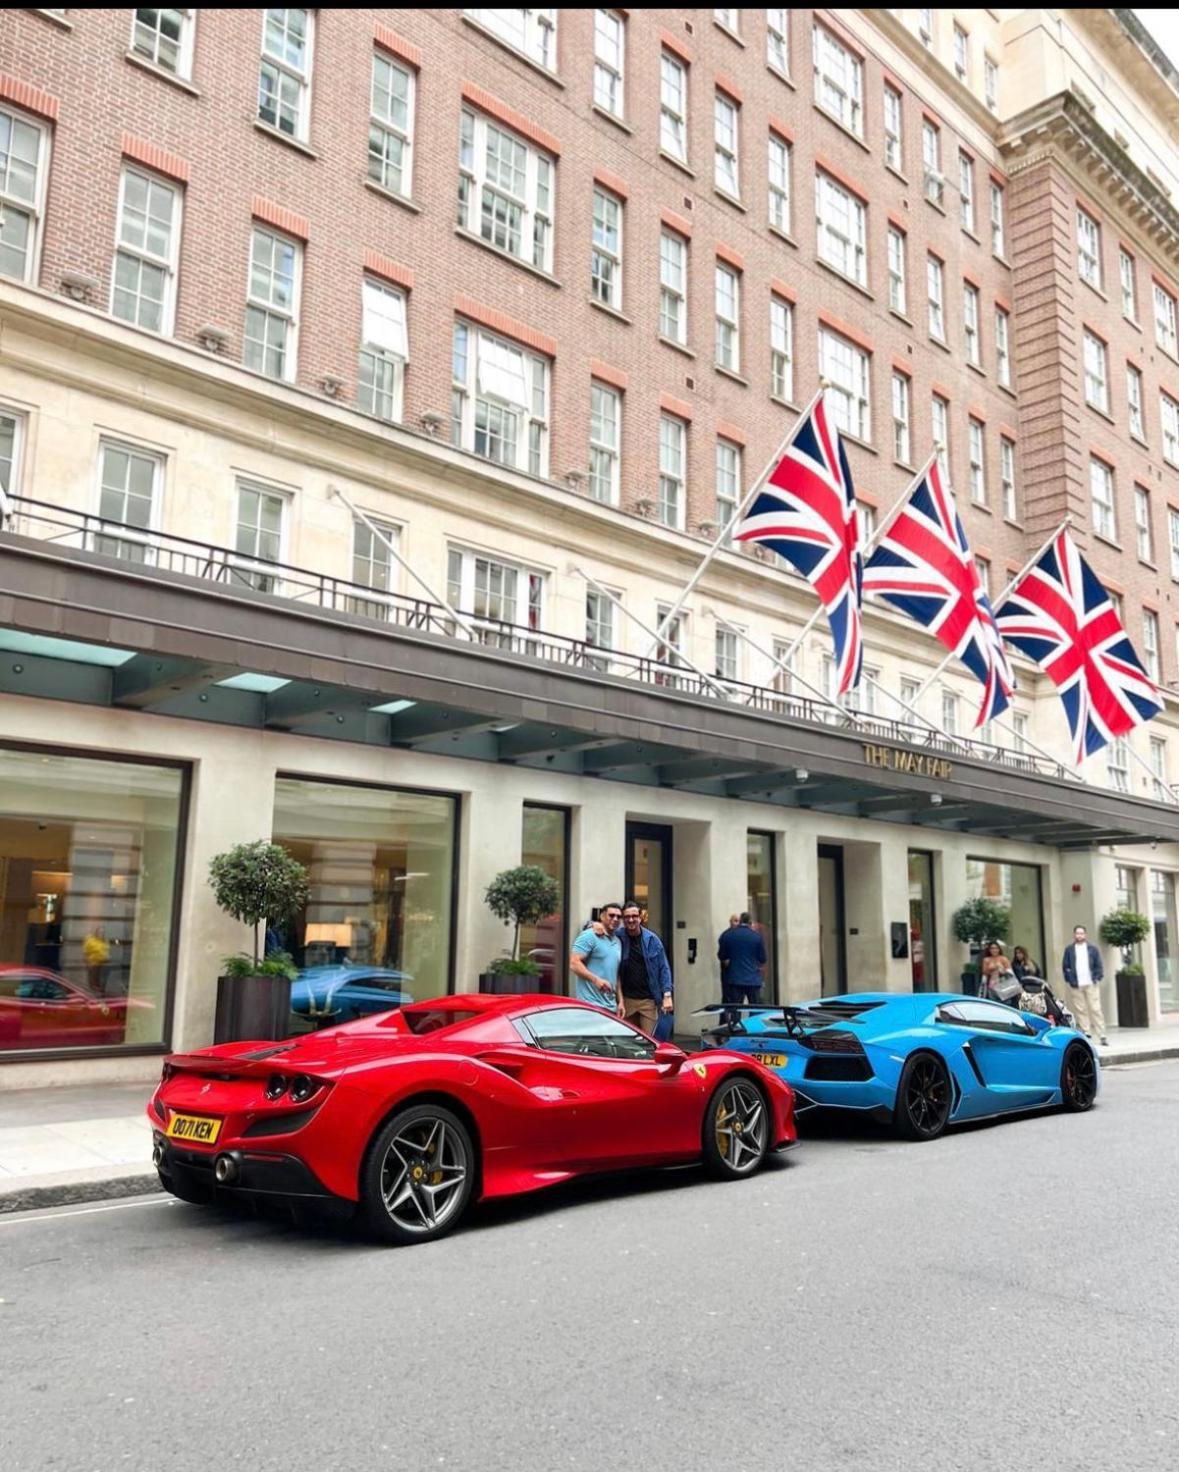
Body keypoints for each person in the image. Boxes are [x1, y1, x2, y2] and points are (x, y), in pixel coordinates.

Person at [615, 901, 674, 1033]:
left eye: (634, 916)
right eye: (627, 917)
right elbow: (601, 932)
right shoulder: (618, 937)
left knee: (650, 1042)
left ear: (640, 917)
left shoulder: (652, 940)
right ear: (623, 919)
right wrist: (595, 925)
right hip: (627, 1000)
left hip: (648, 1001)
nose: (631, 920)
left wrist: (667, 994)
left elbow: (663, 968)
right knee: (628, 1042)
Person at [1061, 924, 1108, 1046]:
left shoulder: (1092, 949)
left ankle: (1101, 1034)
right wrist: (1070, 980)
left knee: (1095, 1008)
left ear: (1085, 935)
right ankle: (1086, 1032)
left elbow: (1099, 965)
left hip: (1091, 983)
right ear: (1074, 935)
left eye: (1081, 933)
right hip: (1076, 984)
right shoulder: (1069, 950)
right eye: (1077, 933)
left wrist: (1097, 977)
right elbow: (1065, 966)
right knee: (1081, 1009)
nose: (1079, 935)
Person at [569, 904, 622, 1011]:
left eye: (618, 916)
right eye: (611, 915)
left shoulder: (618, 942)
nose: (615, 919)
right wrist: (596, 980)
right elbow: (574, 963)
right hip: (590, 1005)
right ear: (602, 917)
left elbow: (615, 974)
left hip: (611, 1007)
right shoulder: (589, 935)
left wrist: (620, 1001)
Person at [718, 912, 767, 1021]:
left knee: (736, 1010)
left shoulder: (728, 935)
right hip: (753, 979)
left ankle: (736, 1031)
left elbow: (722, 956)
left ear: (740, 921)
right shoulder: (756, 937)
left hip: (735, 979)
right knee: (754, 1009)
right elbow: (763, 958)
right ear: (750, 922)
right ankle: (753, 1032)